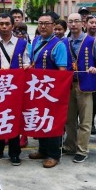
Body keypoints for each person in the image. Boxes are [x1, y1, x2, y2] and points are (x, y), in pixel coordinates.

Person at [0, 13, 30, 166]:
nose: (4, 27)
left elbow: (27, 63)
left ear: (12, 26)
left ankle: (14, 153)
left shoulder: (22, 44)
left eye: (7, 24)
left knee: (13, 120)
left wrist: (17, 71)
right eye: (1, 24)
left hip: (14, 89)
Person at [62, 12, 96, 164]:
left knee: (85, 121)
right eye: (70, 21)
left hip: (85, 86)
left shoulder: (90, 41)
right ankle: (69, 145)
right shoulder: (64, 42)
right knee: (69, 119)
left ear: (82, 23)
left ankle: (82, 150)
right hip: (68, 85)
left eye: (76, 21)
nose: (73, 24)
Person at [27, 12, 67, 168]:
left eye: (46, 23)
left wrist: (57, 91)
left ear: (53, 26)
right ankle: (42, 150)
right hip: (37, 89)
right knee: (40, 119)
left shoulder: (59, 45)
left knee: (52, 121)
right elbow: (32, 62)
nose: (43, 26)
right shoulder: (36, 40)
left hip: (52, 91)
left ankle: (54, 154)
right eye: (40, 23)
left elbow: (62, 71)